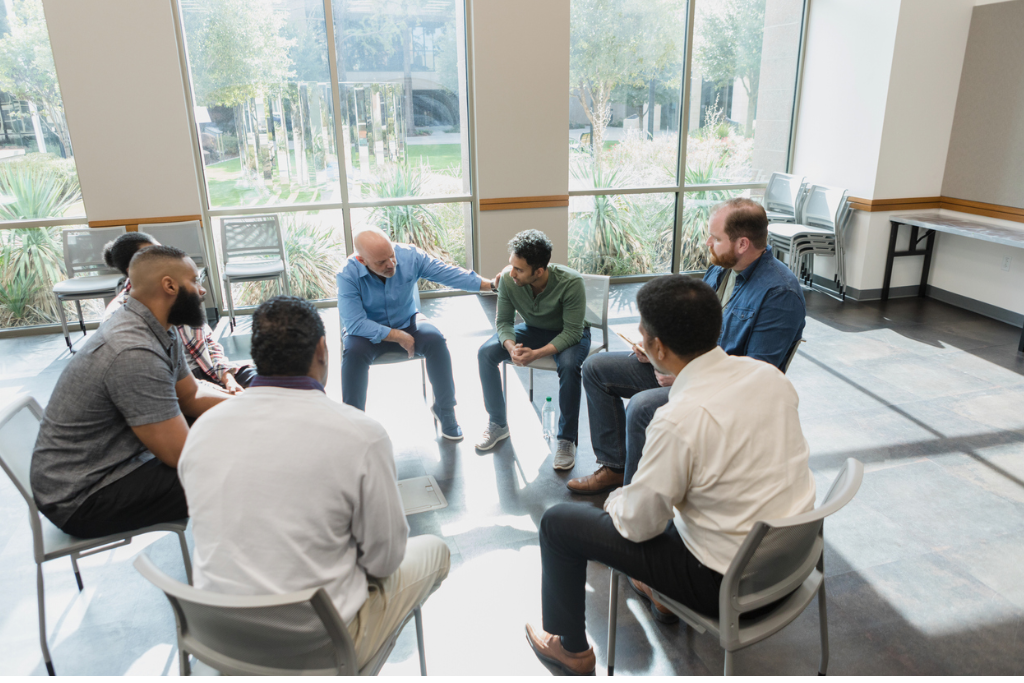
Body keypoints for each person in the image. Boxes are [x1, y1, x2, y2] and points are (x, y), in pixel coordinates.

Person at [525, 275, 816, 675]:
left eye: (643, 335)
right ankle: (656, 588)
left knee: (560, 523)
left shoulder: (678, 419)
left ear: (656, 347)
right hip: (794, 564)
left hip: (727, 587)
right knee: (678, 498)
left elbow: (641, 525)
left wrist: (617, 499)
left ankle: (571, 649)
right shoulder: (769, 377)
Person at [178, 296, 450, 669]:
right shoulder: (360, 434)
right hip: (319, 646)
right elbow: (385, 561)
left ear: (256, 355)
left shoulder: (203, 428)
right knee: (435, 550)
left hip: (221, 637)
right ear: (322, 350)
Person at [568, 198, 806, 495]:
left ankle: (636, 495)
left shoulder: (779, 294)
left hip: (718, 391)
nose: (708, 242)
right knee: (595, 368)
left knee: (641, 408)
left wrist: (683, 377)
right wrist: (659, 346)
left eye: (716, 238)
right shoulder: (722, 268)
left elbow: (757, 377)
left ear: (742, 244)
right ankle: (615, 467)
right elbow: (692, 325)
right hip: (687, 368)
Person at [31, 245, 229, 538]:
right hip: (84, 496)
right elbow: (180, 454)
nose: (201, 291)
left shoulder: (160, 326)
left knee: (231, 438)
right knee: (238, 472)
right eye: (195, 280)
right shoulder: (133, 351)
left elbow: (191, 395)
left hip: (109, 465)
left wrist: (254, 404)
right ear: (170, 285)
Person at [337, 227, 498, 440]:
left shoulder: (410, 256)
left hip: (407, 320)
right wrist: (396, 336)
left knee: (436, 340)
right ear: (361, 260)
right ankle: (354, 423)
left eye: (391, 256)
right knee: (353, 354)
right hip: (366, 332)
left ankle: (445, 410)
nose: (391, 264)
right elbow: (356, 324)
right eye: (381, 262)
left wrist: (490, 285)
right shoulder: (347, 274)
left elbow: (448, 274)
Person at [476, 230, 591, 470]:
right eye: (512, 266)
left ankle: (566, 440)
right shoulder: (508, 279)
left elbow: (572, 332)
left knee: (569, 366)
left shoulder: (571, 282)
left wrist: (535, 354)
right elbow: (504, 322)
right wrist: (511, 347)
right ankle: (498, 423)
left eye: (519, 269)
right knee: (486, 352)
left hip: (570, 333)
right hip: (534, 329)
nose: (512, 273)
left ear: (538, 271)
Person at [101, 231, 255, 394]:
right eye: (155, 255)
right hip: (178, 389)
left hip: (211, 372)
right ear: (134, 268)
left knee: (271, 382)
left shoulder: (177, 292)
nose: (166, 258)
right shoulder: (120, 318)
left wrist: (227, 378)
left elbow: (207, 340)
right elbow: (174, 388)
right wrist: (224, 393)